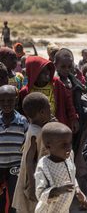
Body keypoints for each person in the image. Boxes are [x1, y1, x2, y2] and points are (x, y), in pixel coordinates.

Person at [34, 122, 87, 213]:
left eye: (70, 143)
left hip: (64, 209)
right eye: (63, 145)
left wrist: (78, 190)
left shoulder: (69, 155)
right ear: (48, 146)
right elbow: (40, 194)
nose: (68, 147)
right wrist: (58, 190)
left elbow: (71, 175)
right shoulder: (44, 165)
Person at [12, 92, 52, 213]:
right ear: (42, 113)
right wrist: (32, 185)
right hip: (32, 179)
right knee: (32, 207)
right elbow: (30, 160)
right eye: (49, 108)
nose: (51, 111)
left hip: (37, 177)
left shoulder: (38, 128)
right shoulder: (35, 132)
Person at [19, 56, 79, 132]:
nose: (47, 72)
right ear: (34, 73)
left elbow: (68, 101)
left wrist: (73, 118)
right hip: (35, 130)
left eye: (48, 69)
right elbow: (23, 112)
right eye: (42, 71)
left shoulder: (56, 83)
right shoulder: (25, 92)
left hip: (57, 126)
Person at [0, 85, 28, 213]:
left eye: (10, 100)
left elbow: (27, 144)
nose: (6, 104)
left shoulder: (22, 121)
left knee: (14, 196)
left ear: (16, 100)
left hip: (15, 166)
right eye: (2, 100)